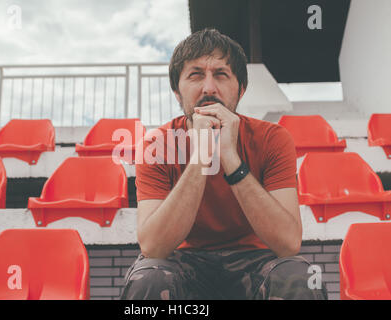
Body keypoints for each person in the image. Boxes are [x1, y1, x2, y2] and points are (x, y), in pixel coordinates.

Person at [120, 28, 327, 300]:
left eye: (221, 74)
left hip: (255, 262)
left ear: (240, 89)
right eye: (195, 75)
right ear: (177, 92)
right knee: (150, 277)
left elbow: (288, 244)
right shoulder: (157, 144)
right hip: (183, 261)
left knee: (299, 276)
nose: (208, 88)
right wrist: (200, 158)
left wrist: (230, 157)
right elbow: (154, 247)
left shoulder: (272, 138)